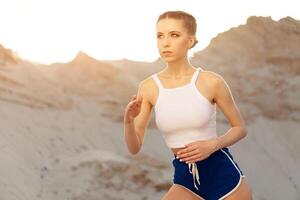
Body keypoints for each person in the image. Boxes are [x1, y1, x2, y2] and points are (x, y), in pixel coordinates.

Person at [123, 10, 253, 200]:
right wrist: (128, 121)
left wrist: (212, 145)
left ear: (190, 41)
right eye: (160, 36)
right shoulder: (148, 87)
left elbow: (240, 128)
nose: (165, 43)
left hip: (224, 179)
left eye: (174, 35)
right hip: (186, 181)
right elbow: (134, 148)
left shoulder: (211, 81)